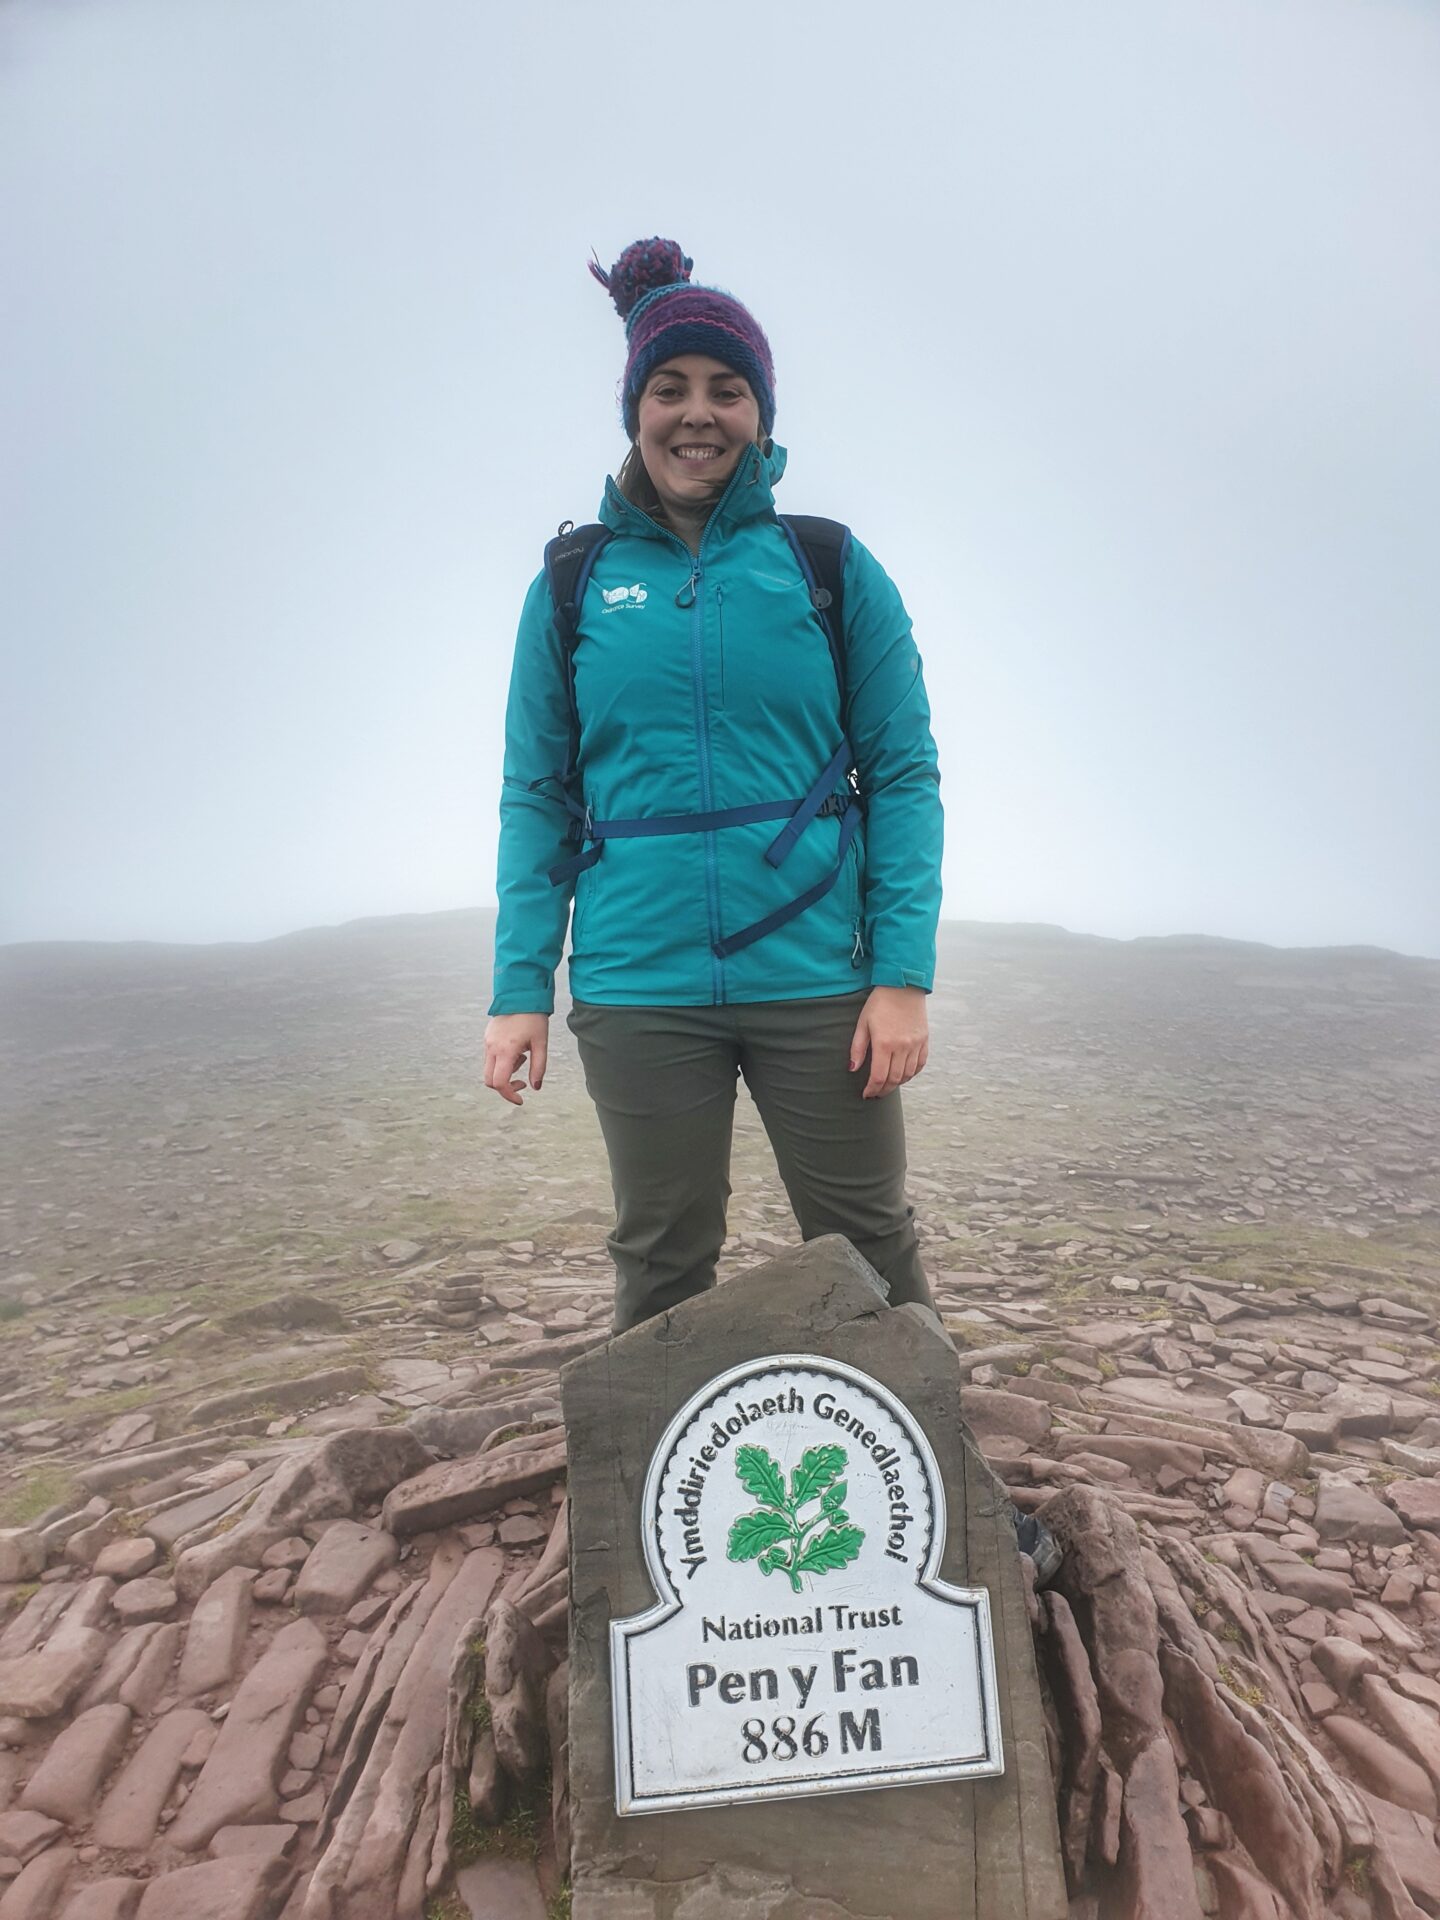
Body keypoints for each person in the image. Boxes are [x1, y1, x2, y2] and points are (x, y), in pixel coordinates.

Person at [483, 237, 944, 1334]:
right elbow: (538, 796)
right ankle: (654, 1499)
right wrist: (519, 986)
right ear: (634, 410)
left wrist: (903, 975)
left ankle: (942, 1490)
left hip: (818, 979)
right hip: (641, 979)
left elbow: (906, 775)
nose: (699, 414)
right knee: (660, 1252)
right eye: (670, 388)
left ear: (762, 414)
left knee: (869, 1242)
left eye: (726, 391)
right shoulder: (574, 583)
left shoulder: (826, 566)